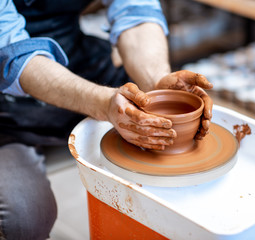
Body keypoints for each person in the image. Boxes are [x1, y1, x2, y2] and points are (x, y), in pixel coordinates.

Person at [0, 0, 213, 239]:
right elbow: (12, 54)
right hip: (6, 101)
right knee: (25, 218)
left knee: (156, 149)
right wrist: (103, 103)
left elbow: (135, 11)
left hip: (71, 59)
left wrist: (156, 82)